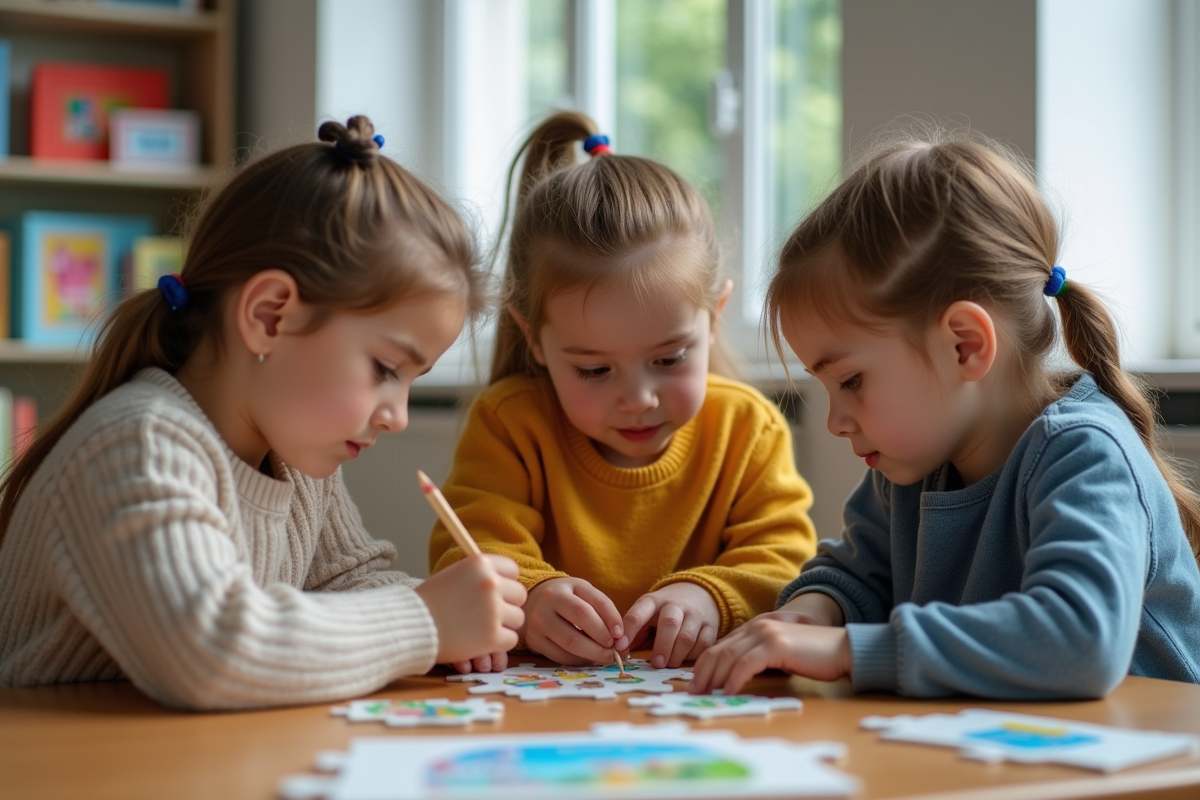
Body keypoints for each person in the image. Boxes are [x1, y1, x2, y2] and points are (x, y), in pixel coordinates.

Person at [0, 117, 526, 710]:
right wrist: (424, 621)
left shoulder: (295, 459)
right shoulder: (137, 445)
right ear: (269, 316)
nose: (397, 417)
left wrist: (468, 620)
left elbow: (352, 583)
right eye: (385, 368)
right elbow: (211, 651)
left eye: (411, 381)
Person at [689, 131, 1200, 699]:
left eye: (851, 381)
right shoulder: (911, 463)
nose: (835, 421)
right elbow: (855, 575)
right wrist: (807, 617)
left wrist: (845, 651)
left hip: (1147, 751)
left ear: (964, 345)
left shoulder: (1086, 453)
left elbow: (1079, 641)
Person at [429, 111, 817, 674]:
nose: (637, 398)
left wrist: (710, 596)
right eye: (594, 370)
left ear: (715, 317)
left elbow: (787, 562)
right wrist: (530, 599)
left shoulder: (747, 429)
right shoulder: (509, 423)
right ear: (534, 338)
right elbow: (468, 550)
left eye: (668, 359)